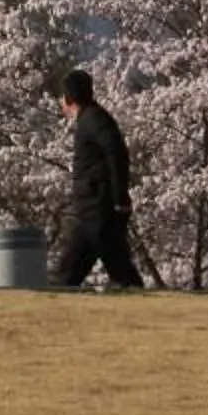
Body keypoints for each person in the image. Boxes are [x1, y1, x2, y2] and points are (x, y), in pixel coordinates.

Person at [53, 67, 144, 289]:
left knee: (105, 266)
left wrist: (120, 196)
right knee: (106, 266)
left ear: (68, 98)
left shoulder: (93, 119)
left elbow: (116, 150)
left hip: (97, 207)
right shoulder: (91, 118)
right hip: (92, 208)